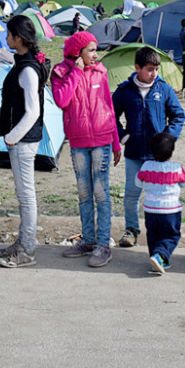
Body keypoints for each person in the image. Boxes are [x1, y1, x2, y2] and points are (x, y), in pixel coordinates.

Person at [52, 31, 122, 268]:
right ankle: (88, 240)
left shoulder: (101, 72)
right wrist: (77, 72)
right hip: (78, 142)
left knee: (101, 194)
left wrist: (115, 142)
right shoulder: (62, 73)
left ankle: (103, 245)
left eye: (96, 49)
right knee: (84, 194)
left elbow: (108, 107)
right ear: (77, 52)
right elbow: (62, 100)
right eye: (91, 50)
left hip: (101, 141)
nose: (96, 54)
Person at [111, 45, 184, 253]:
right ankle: (131, 231)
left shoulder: (164, 89)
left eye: (157, 69)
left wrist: (168, 139)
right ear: (137, 68)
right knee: (132, 194)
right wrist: (123, 136)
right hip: (134, 153)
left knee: (161, 195)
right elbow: (111, 116)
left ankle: (161, 232)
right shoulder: (124, 91)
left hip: (159, 157)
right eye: (150, 69)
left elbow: (178, 115)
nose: (154, 74)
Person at [0, 15, 47, 269]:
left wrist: (11, 137)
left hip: (23, 141)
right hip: (21, 139)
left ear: (19, 37)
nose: (6, 38)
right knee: (23, 193)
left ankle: (27, 248)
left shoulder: (28, 69)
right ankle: (23, 242)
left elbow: (33, 111)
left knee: (26, 195)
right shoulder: (25, 64)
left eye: (8, 34)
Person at [137, 132, 185, 275]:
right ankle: (160, 256)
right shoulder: (176, 167)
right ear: (171, 152)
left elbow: (137, 182)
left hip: (150, 209)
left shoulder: (146, 166)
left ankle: (156, 259)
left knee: (153, 235)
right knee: (172, 235)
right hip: (171, 210)